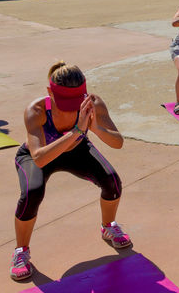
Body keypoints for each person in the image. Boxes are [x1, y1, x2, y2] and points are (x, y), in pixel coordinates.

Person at [10, 62, 130, 281]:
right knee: (31, 194)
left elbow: (117, 142)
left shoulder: (93, 104)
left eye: (76, 101)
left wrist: (95, 128)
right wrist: (76, 131)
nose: (71, 108)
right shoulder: (35, 111)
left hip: (77, 150)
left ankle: (108, 226)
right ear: (49, 93)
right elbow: (40, 158)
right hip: (38, 156)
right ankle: (21, 252)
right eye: (65, 102)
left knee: (112, 181)